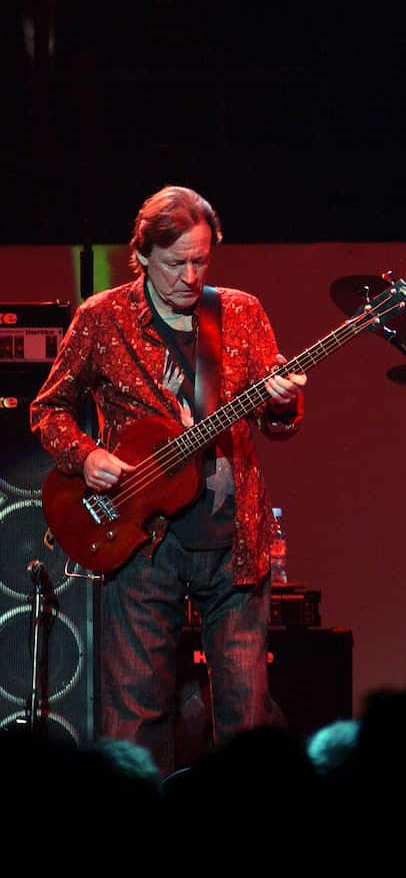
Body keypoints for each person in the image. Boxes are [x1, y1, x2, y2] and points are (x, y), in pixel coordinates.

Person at [30, 185, 306, 777]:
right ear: (143, 255)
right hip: (140, 541)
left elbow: (278, 423)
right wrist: (84, 458)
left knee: (246, 720)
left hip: (234, 541)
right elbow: (48, 410)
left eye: (201, 260)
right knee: (135, 719)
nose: (189, 274)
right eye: (175, 261)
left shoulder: (241, 312)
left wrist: (281, 401)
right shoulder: (102, 319)